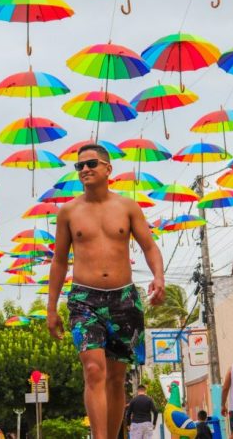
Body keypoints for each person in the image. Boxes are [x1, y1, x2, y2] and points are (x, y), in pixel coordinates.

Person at [47, 143, 165, 439]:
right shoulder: (68, 212)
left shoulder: (127, 207)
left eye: (91, 164)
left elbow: (150, 246)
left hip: (124, 299)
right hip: (84, 300)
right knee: (93, 369)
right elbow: (59, 261)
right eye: (80, 166)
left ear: (108, 169)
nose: (85, 169)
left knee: (115, 379)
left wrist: (159, 276)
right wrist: (51, 308)